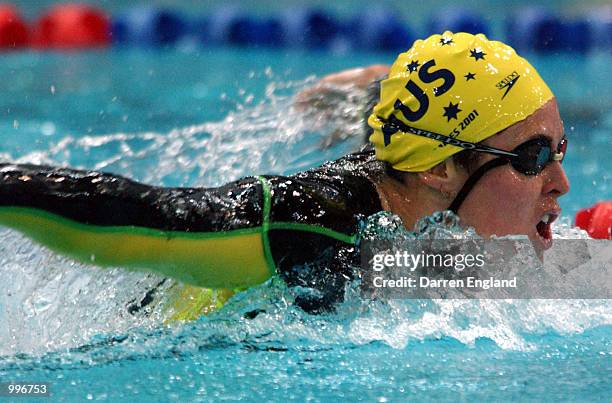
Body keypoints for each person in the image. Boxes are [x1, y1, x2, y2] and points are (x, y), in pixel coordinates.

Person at [0, 32, 569, 314]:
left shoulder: (421, 207)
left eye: (561, 150)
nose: (561, 183)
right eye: (534, 158)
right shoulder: (309, 228)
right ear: (442, 169)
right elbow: (139, 216)